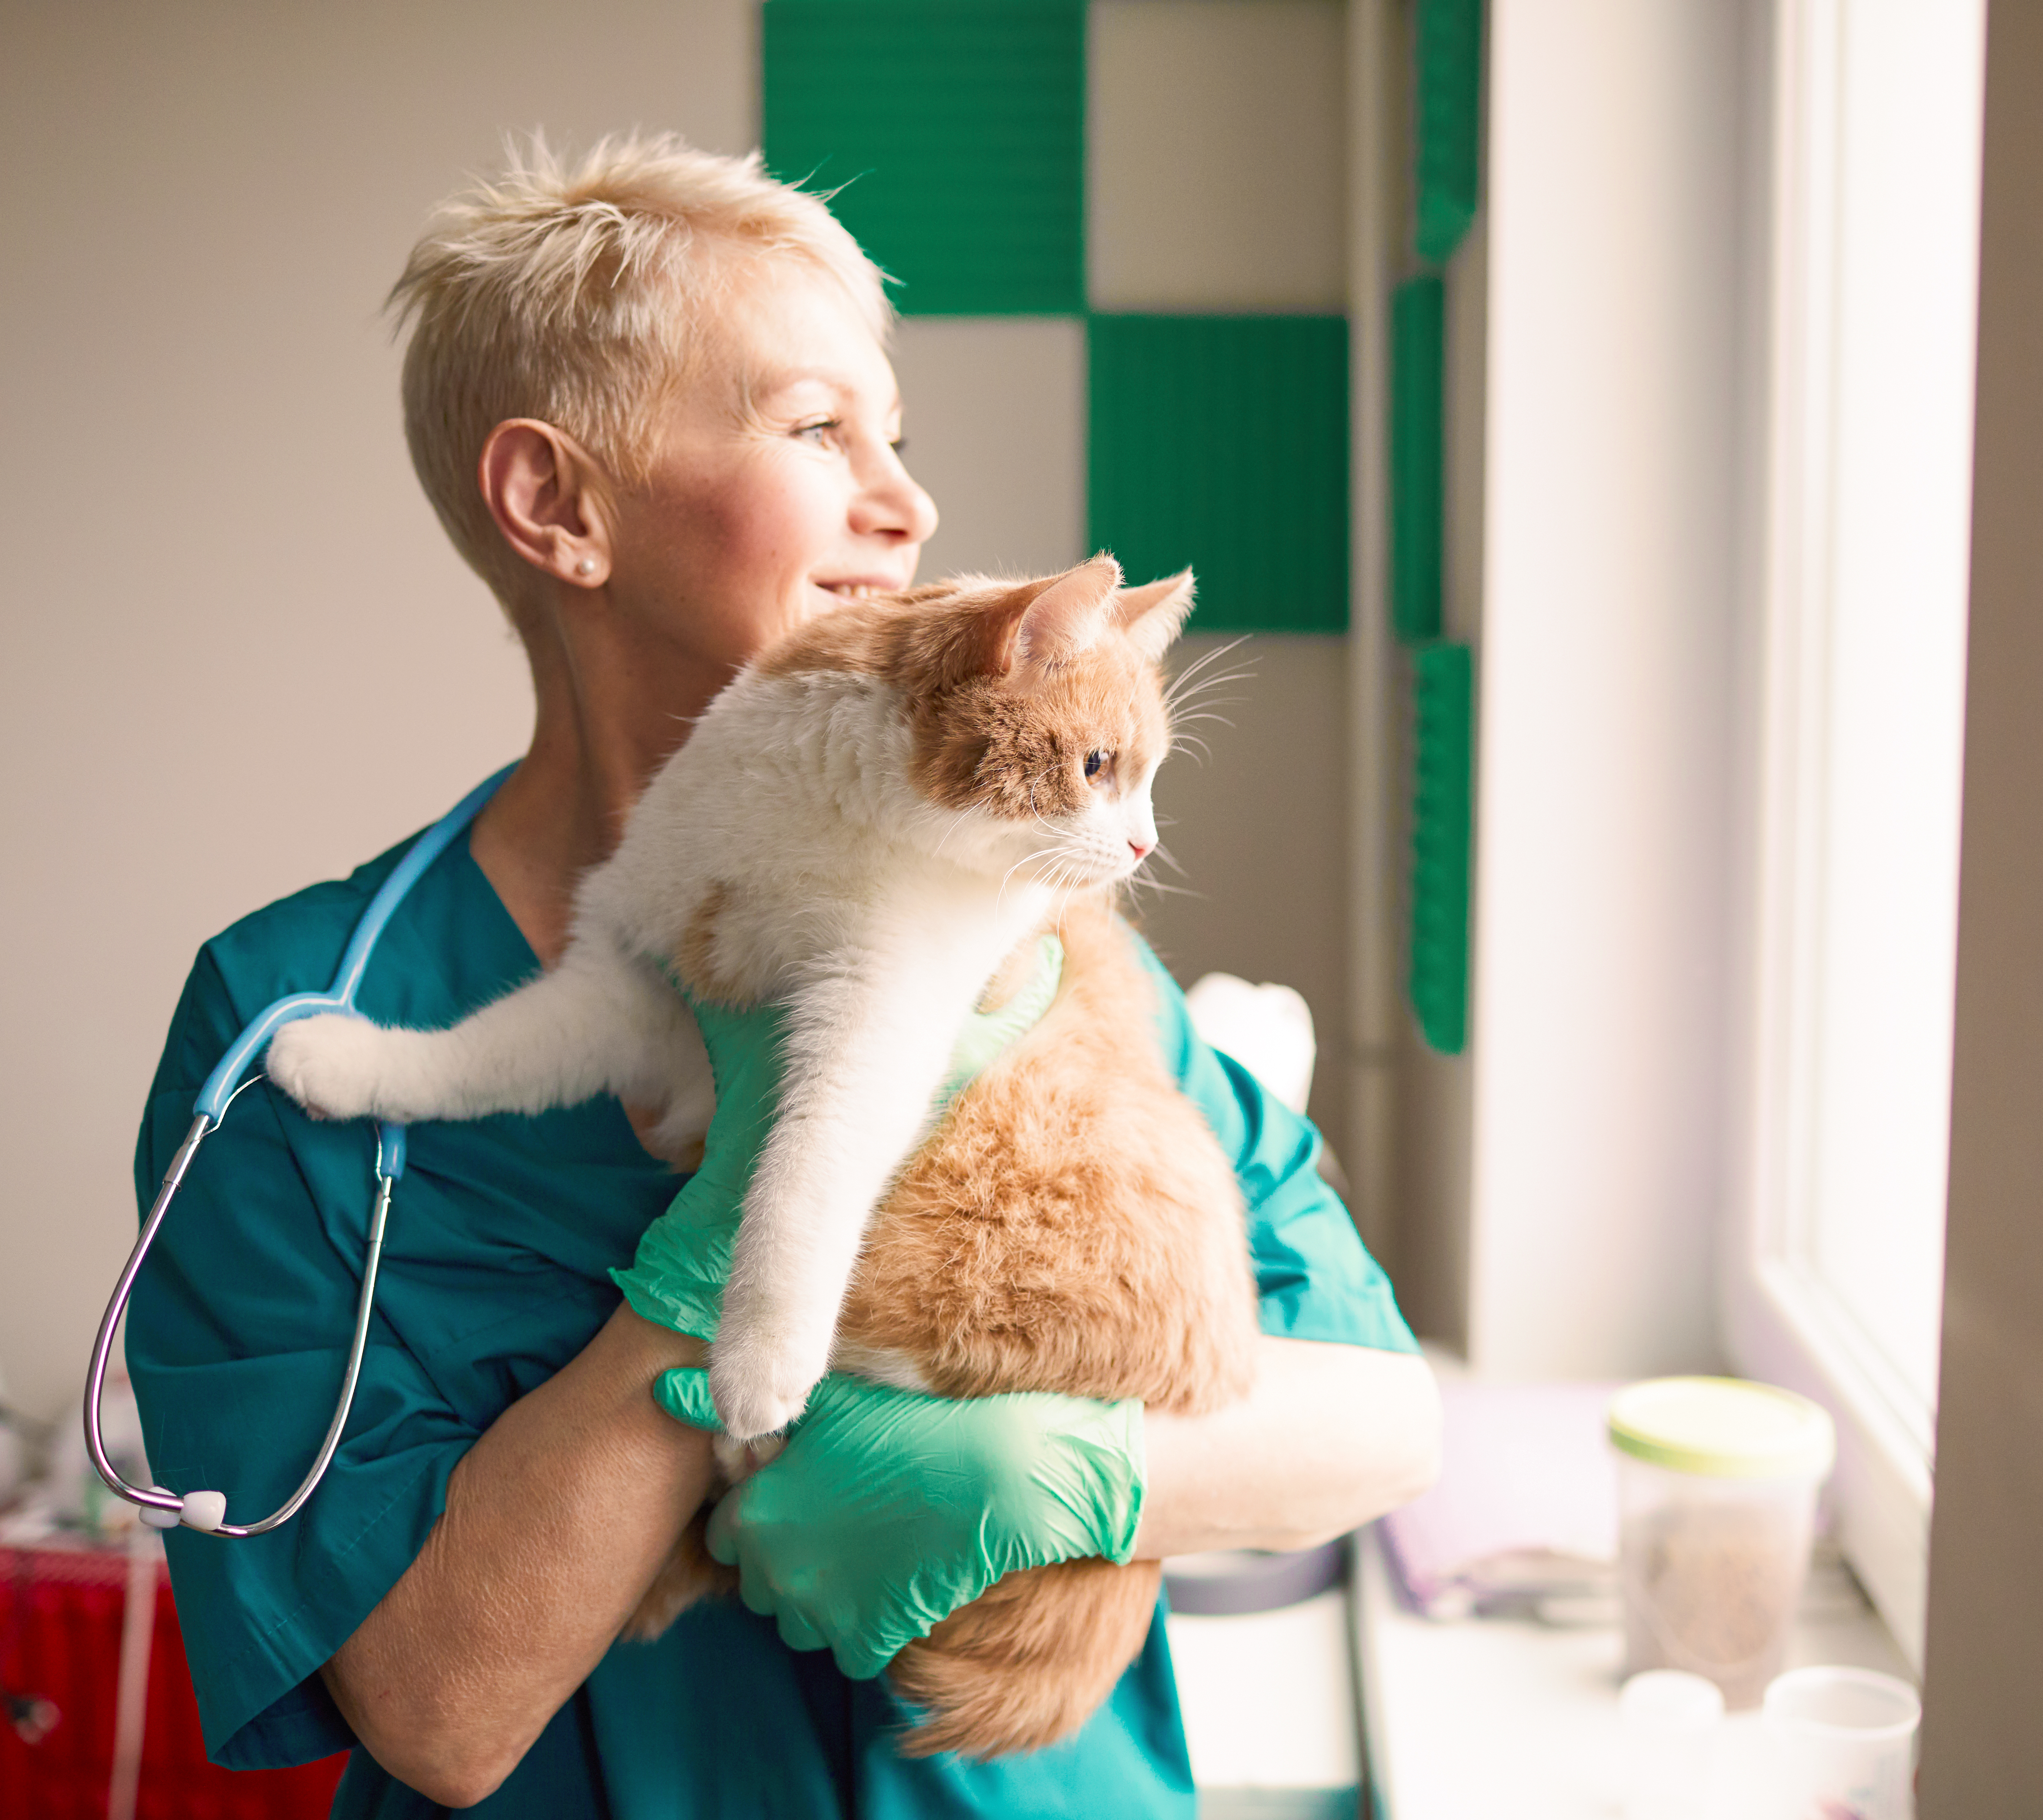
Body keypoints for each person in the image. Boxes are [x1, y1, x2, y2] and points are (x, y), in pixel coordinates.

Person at [127, 134, 1438, 1818]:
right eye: (821, 430)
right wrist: (716, 1259)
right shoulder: (295, 1020)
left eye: (902, 436)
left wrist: (1077, 1473)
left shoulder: (1009, 913)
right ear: (557, 505)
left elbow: (1388, 1421)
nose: (911, 503)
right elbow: (434, 1715)